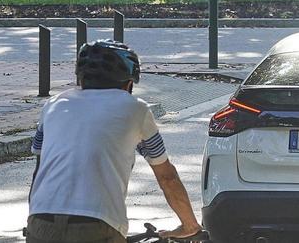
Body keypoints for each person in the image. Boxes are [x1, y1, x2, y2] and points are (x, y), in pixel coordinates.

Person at [26, 40, 201, 242]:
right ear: (128, 83)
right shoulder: (136, 109)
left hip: (41, 218)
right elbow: (167, 177)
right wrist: (190, 225)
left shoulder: (53, 105)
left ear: (81, 79)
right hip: (98, 222)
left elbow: (39, 167)